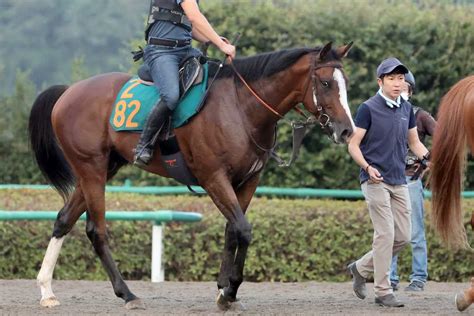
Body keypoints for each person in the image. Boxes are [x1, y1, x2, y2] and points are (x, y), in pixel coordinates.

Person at [347, 58, 430, 307]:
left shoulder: (407, 109)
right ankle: (383, 291)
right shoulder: (368, 108)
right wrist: (367, 167)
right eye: (392, 78)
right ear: (380, 81)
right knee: (385, 234)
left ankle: (360, 268)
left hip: (399, 180)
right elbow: (353, 144)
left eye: (401, 78)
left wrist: (430, 158)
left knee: (403, 236)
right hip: (374, 180)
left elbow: (414, 143)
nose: (397, 83)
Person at [134, 0, 236, 166]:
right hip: (161, 51)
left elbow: (192, 27)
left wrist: (216, 40)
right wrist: (220, 44)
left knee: (213, 74)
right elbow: (194, 17)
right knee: (171, 96)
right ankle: (143, 146)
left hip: (185, 50)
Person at [390, 71, 437, 292]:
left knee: (416, 232)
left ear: (410, 91)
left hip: (411, 180)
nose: (401, 90)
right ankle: (390, 277)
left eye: (405, 87)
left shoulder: (420, 116)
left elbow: (443, 137)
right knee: (390, 232)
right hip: (389, 180)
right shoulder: (385, 115)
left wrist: (430, 161)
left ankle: (418, 277)